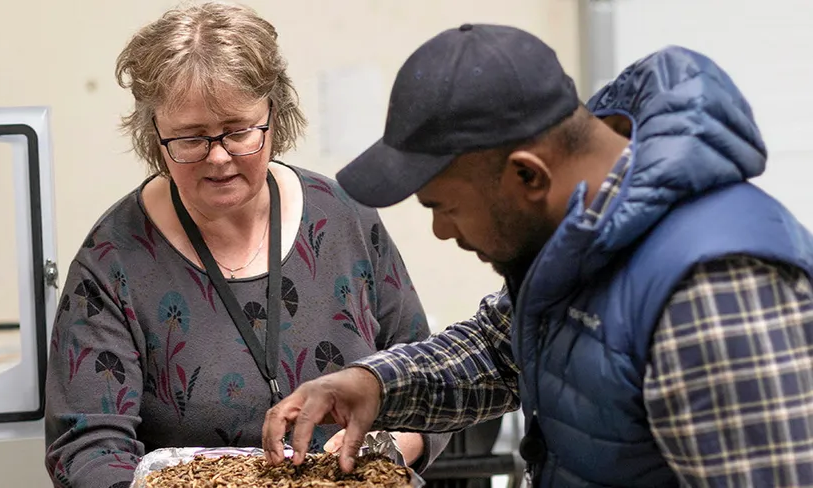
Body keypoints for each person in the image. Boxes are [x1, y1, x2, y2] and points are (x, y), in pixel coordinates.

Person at [263, 23, 813, 487]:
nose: (438, 230)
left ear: (527, 174)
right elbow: (499, 353)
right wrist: (372, 384)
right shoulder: (585, 231)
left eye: (444, 206)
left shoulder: (713, 289)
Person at [42, 3, 450, 487]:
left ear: (276, 115)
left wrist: (387, 446)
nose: (218, 158)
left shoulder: (344, 218)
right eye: (190, 139)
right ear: (154, 135)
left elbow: (427, 376)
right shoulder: (114, 259)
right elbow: (87, 448)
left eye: (238, 131)